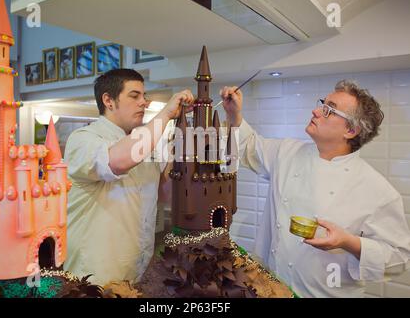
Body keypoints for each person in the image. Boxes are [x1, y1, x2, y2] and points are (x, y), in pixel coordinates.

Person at [220, 80, 410, 297]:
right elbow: (248, 146)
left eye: (328, 109)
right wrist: (234, 115)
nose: (316, 110)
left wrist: (348, 242)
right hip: (268, 289)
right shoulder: (288, 152)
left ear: (350, 130)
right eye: (322, 103)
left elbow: (398, 258)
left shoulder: (376, 189)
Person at [64, 69, 193, 285]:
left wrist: (181, 150)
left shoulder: (144, 146)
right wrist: (165, 114)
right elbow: (117, 161)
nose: (144, 103)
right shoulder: (84, 139)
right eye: (135, 96)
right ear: (109, 100)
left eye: (144, 97)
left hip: (138, 273)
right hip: (95, 279)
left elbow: (165, 195)